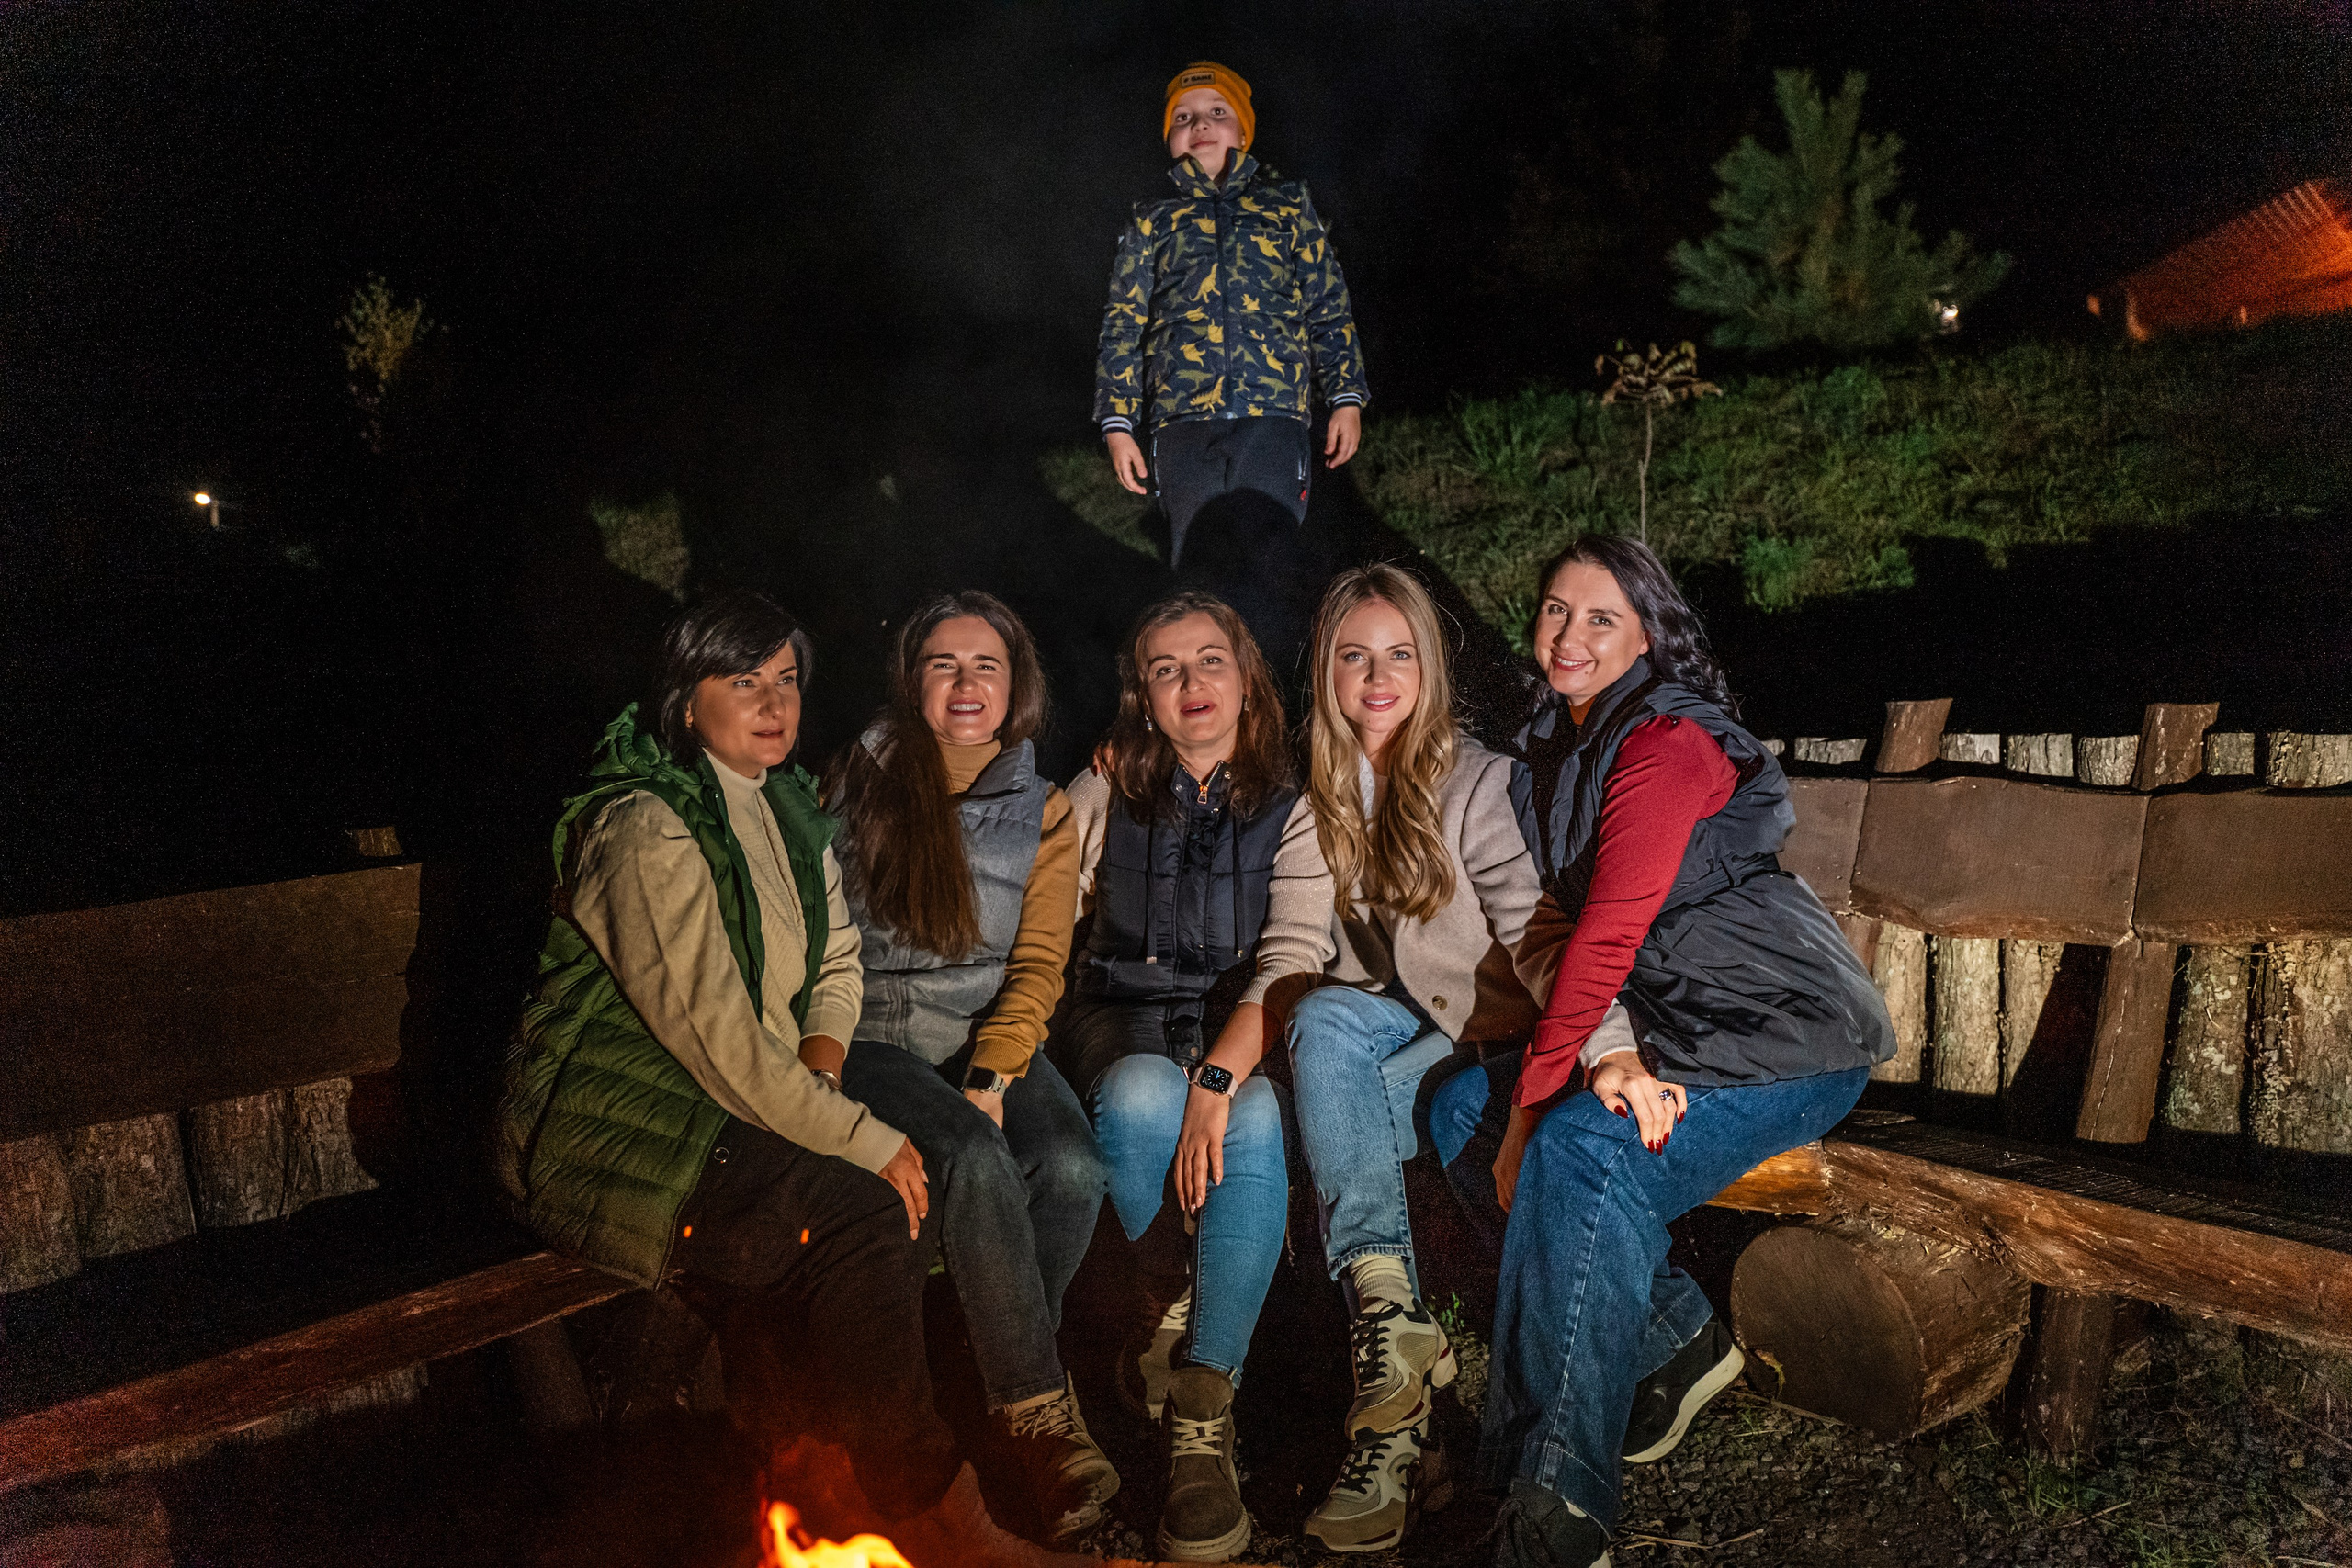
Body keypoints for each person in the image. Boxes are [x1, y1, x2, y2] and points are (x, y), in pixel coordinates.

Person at [497, 591, 1087, 1568]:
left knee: (891, 1195)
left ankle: (850, 1476)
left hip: (721, 1105)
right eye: (745, 682)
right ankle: (916, 1501)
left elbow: (836, 962)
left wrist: (821, 1079)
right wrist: (852, 1128)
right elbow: (718, 1041)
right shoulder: (643, 828)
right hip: (612, 1130)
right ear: (687, 699)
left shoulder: (782, 806)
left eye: (787, 681)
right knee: (868, 1200)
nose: (774, 705)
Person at [1428, 538, 1895, 1568]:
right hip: (1683, 1027)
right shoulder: (1560, 742)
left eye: (1601, 618)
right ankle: (1672, 1334)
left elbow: (1606, 935)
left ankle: (1556, 1511)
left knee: (1576, 1151)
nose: (1569, 635)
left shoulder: (1665, 741)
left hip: (1786, 1034)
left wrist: (1535, 1110)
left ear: (1648, 635)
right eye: (1556, 609)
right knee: (1460, 1108)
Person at [1281, 564, 1638, 1554]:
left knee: (1338, 1075)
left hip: (1496, 1039)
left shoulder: (1473, 781)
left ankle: (1402, 1432)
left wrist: (1609, 1046)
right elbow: (1292, 948)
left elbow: (1540, 936)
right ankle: (1390, 1326)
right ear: (1326, 673)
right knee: (1321, 1022)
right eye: (1355, 656)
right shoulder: (1318, 794)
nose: (1377, 677)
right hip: (1405, 1035)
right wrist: (1222, 1068)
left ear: (1430, 669)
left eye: (1399, 654)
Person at [825, 592, 1115, 1546]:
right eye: (943, 664)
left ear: (1014, 683)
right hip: (872, 1038)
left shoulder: (1045, 809)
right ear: (911, 679)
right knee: (976, 1159)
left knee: (1072, 1165)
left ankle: (991, 1360)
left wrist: (991, 1075)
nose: (965, 683)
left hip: (983, 1034)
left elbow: (1038, 964)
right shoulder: (854, 777)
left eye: (986, 664)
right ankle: (1038, 1417)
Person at [1054, 591, 1335, 1562]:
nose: (1192, 682)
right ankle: (1168, 1297)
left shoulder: (1293, 806)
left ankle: (1201, 1410)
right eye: (1165, 669)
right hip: (1118, 1017)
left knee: (1249, 1115)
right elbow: (1042, 909)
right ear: (1142, 695)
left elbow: (1292, 957)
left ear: (1246, 677)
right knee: (1139, 1092)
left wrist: (1215, 1077)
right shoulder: (1105, 789)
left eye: (1210, 660)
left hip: (1238, 1026)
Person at [1092, 60, 1369, 570]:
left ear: (1244, 130)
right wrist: (1117, 423)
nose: (1199, 124)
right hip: (1181, 421)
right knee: (1197, 561)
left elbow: (1328, 304)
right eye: (1183, 117)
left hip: (1274, 416)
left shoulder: (1287, 206)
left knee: (1274, 557)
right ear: (1170, 140)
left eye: (1217, 112)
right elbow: (1123, 323)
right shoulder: (1151, 220)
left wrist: (1345, 397)